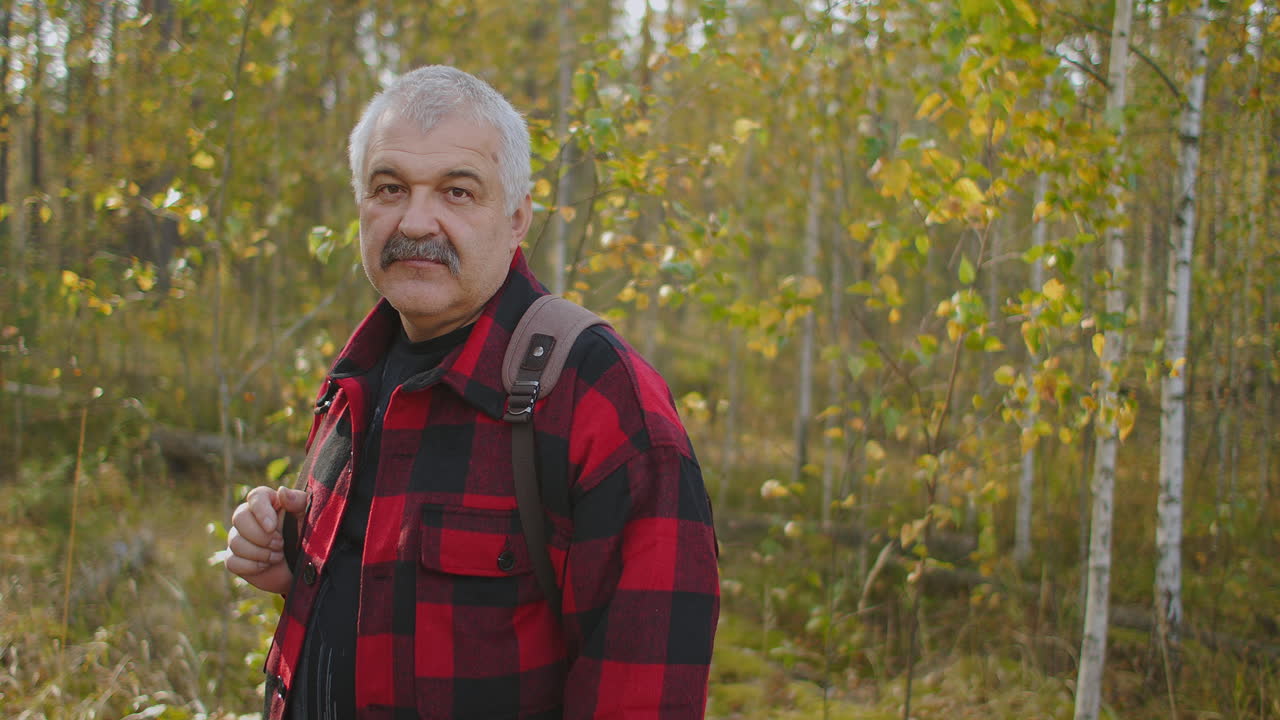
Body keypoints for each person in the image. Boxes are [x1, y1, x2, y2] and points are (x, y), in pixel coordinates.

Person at [224, 65, 720, 719]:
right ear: (361, 206)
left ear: (516, 219)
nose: (417, 221)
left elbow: (644, 697)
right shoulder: (356, 379)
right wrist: (297, 558)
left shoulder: (597, 396)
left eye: (457, 192)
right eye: (390, 188)